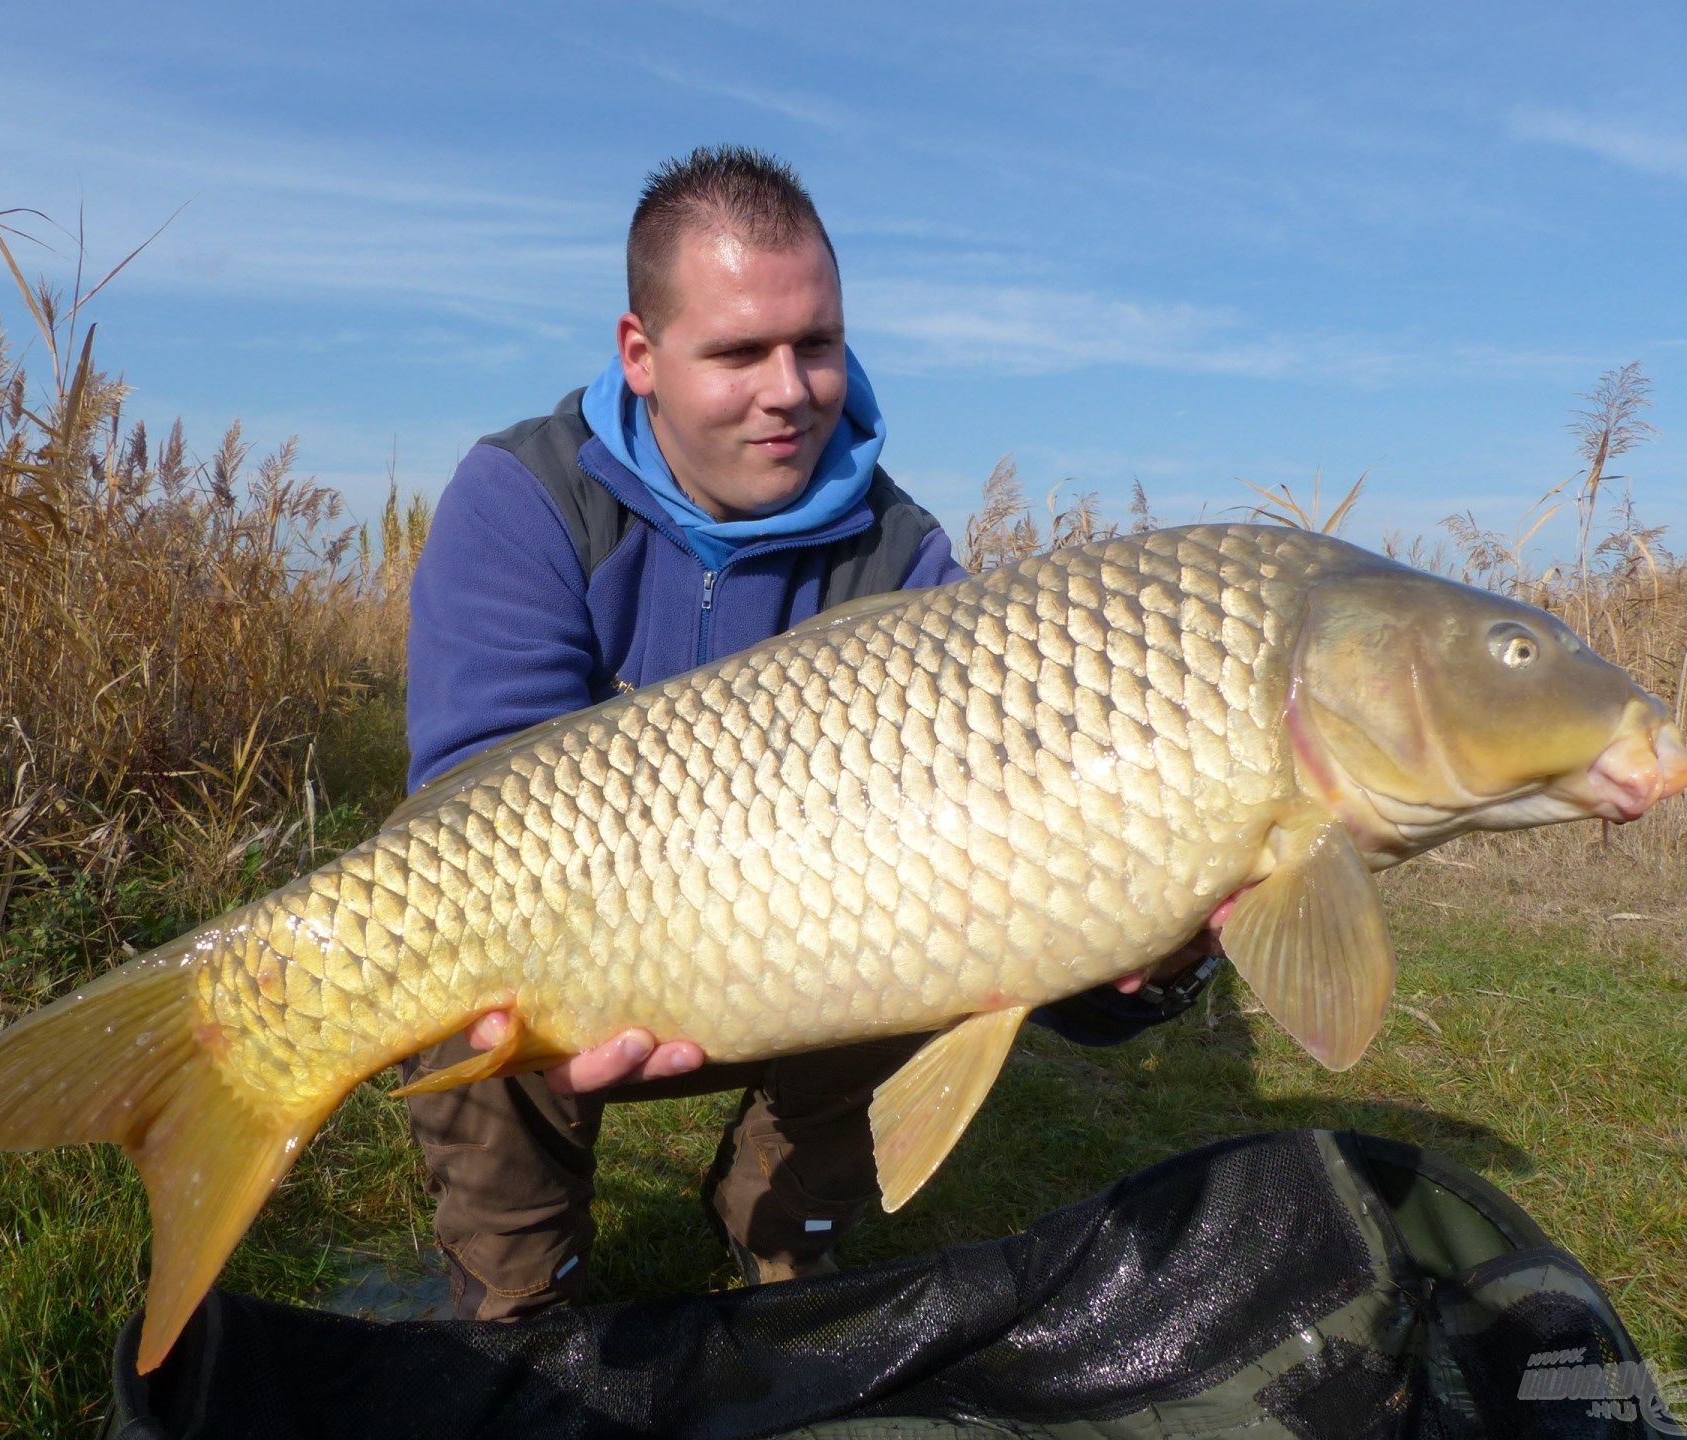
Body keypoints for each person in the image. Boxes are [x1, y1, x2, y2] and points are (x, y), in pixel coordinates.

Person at [401, 145, 1220, 1322]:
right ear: (642, 356)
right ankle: (524, 1288)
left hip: (807, 958)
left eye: (817, 344)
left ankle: (780, 1230)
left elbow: (1028, 896)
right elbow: (479, 791)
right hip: (588, 950)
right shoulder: (523, 496)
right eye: (738, 352)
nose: (789, 388)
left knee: (946, 931)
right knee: (439, 918)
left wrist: (1157, 955)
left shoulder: (907, 559)